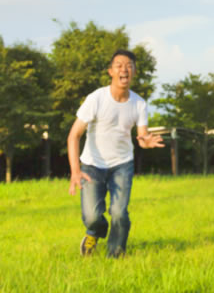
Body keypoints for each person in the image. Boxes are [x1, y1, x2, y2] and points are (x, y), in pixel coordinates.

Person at [67, 49, 164, 258]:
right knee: (92, 216)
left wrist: (147, 142)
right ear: (111, 71)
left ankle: (115, 256)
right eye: (119, 65)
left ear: (134, 72)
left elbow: (142, 138)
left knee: (119, 213)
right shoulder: (96, 98)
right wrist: (75, 171)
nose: (124, 69)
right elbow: (74, 135)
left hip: (122, 164)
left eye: (129, 65)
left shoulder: (139, 103)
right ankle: (95, 231)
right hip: (92, 165)